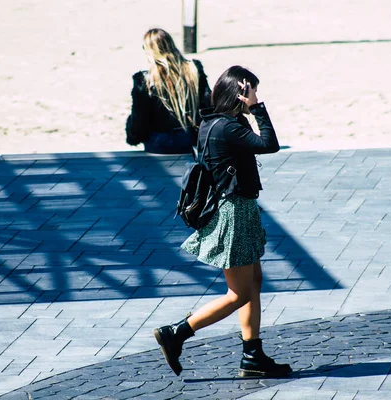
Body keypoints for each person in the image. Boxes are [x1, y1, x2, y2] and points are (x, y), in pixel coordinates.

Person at [154, 66, 292, 378]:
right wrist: (258, 108)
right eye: (250, 92)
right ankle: (177, 334)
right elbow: (269, 144)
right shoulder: (227, 127)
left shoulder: (212, 123)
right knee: (239, 293)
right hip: (232, 213)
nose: (252, 98)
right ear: (239, 94)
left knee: (253, 282)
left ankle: (252, 354)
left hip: (237, 208)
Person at [125, 28, 212, 154]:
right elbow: (208, 105)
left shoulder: (146, 81)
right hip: (190, 138)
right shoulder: (193, 70)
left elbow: (140, 118)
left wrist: (132, 137)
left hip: (159, 142)